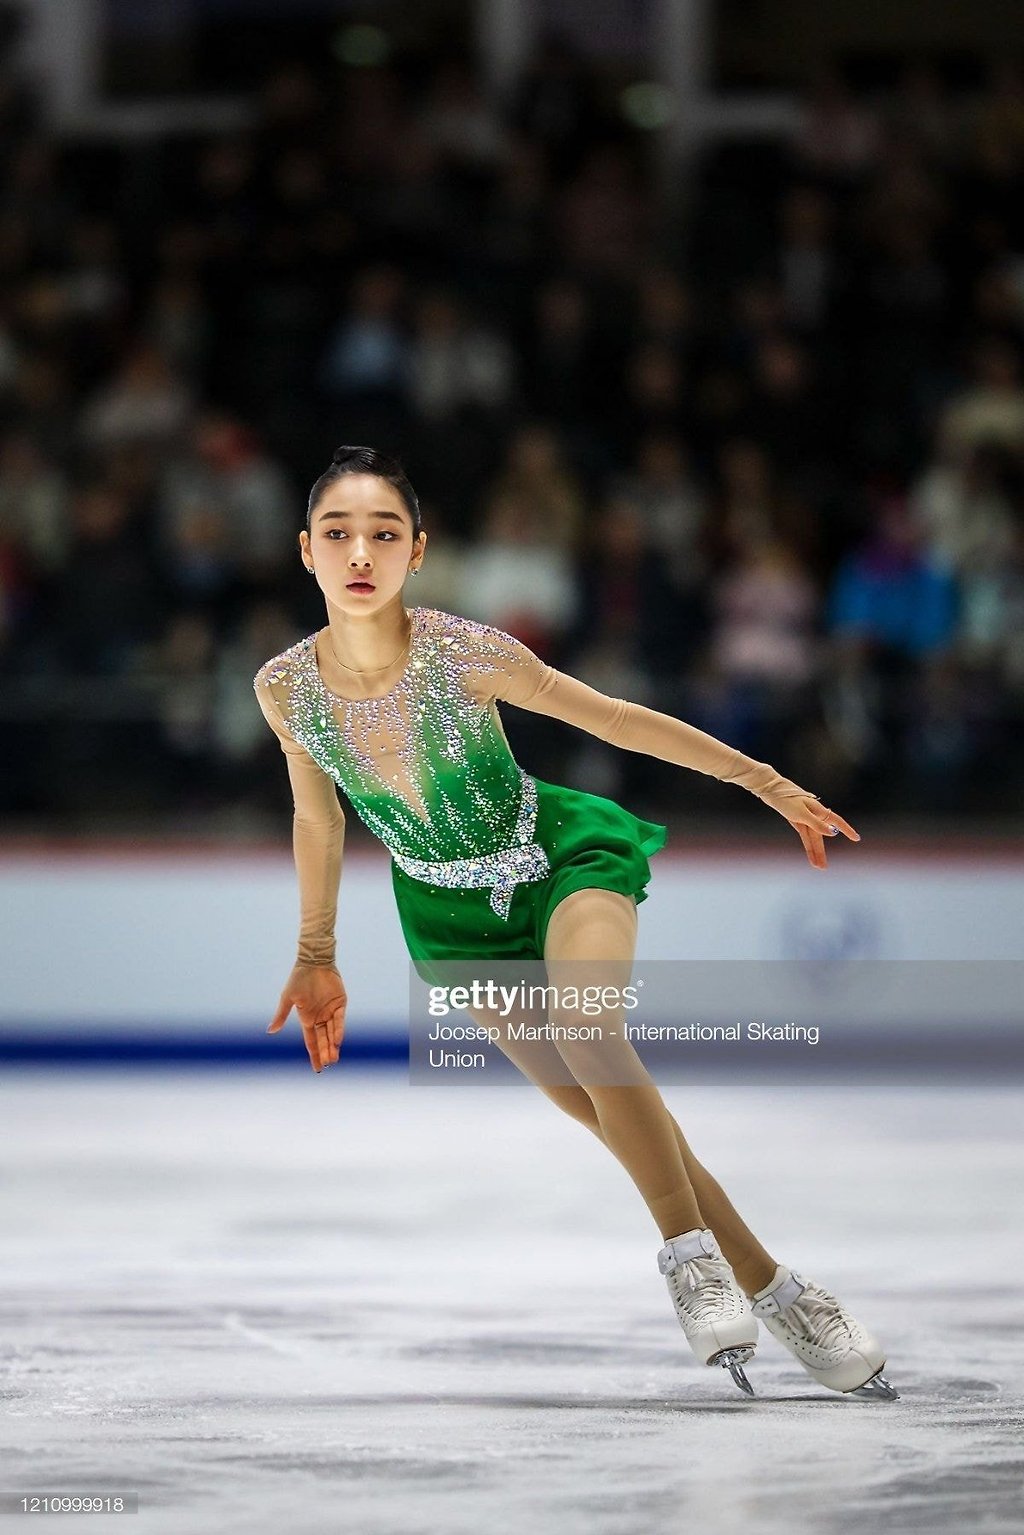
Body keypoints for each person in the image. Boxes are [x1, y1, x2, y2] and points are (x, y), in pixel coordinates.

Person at [253, 445, 897, 1401]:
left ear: (417, 550)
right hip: (451, 918)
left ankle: (689, 1260)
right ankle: (778, 1288)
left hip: (558, 857)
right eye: (338, 533)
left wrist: (765, 781)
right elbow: (319, 818)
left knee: (592, 1028)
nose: (360, 553)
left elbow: (615, 718)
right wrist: (316, 950)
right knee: (614, 1114)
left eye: (383, 533)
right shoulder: (286, 687)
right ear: (306, 550)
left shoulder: (464, 651)